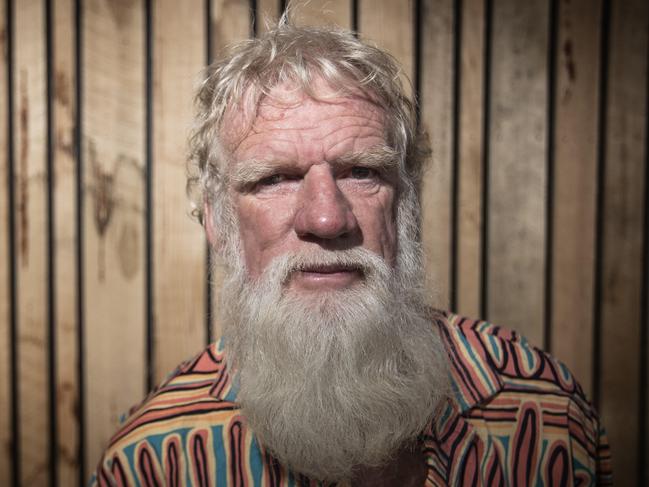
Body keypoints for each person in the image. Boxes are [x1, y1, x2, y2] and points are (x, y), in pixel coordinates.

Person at [90, 20, 612, 486]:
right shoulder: (154, 462)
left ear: (405, 204)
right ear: (218, 223)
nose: (326, 219)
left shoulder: (546, 412)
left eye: (362, 171)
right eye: (274, 179)